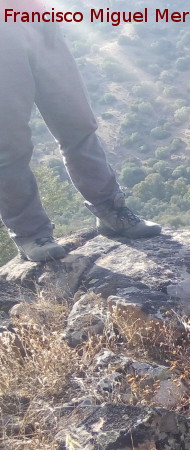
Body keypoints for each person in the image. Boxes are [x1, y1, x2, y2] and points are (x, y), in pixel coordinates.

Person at [1, 1, 160, 262]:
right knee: (9, 147)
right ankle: (30, 233)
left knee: (79, 125)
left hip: (39, 23)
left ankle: (111, 211)